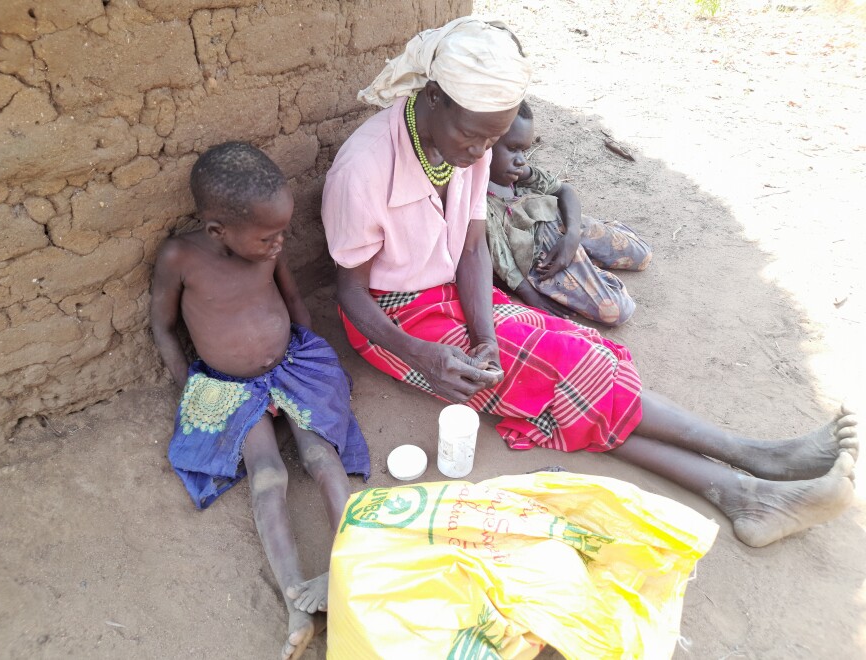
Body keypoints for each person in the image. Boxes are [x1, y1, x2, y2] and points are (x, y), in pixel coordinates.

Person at [321, 17, 858, 548]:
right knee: (558, 375)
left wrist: (484, 330)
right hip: (391, 318)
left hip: (449, 292)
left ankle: (744, 487)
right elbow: (351, 294)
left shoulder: (470, 143)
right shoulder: (363, 170)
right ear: (433, 97)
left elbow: (471, 247)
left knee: (574, 361)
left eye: (491, 140)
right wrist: (421, 354)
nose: (480, 154)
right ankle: (751, 466)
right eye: (472, 136)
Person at [150, 142, 370, 660]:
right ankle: (297, 600)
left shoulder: (267, 249)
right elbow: (162, 327)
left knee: (321, 456)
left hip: (291, 365)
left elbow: (293, 301)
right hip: (226, 385)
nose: (280, 243)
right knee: (268, 475)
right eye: (268, 235)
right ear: (217, 232)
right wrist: (191, 389)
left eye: (283, 232)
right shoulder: (180, 258)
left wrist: (310, 362)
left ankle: (349, 569)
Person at [486, 100, 652, 326]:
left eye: (523, 150)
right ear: (484, 141)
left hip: (562, 225)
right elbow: (500, 256)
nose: (521, 159)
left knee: (642, 254)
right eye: (513, 148)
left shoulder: (518, 172)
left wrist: (572, 236)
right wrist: (529, 294)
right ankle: (587, 269)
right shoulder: (478, 199)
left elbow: (564, 190)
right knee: (616, 311)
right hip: (542, 260)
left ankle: (587, 257)